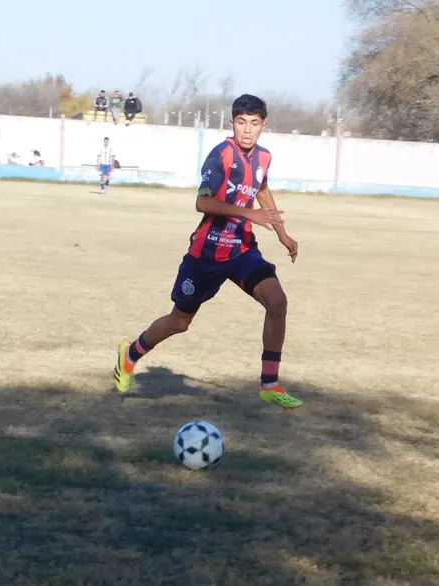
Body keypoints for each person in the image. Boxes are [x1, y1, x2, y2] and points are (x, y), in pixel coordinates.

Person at [113, 94, 302, 409]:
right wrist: (249, 214)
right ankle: (130, 354)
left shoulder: (264, 158)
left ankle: (270, 383)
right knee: (179, 322)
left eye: (254, 123)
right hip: (206, 254)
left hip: (241, 250)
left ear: (263, 126)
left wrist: (283, 233)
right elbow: (202, 202)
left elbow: (262, 189)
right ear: (232, 123)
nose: (247, 130)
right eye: (241, 122)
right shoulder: (221, 156)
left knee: (277, 301)